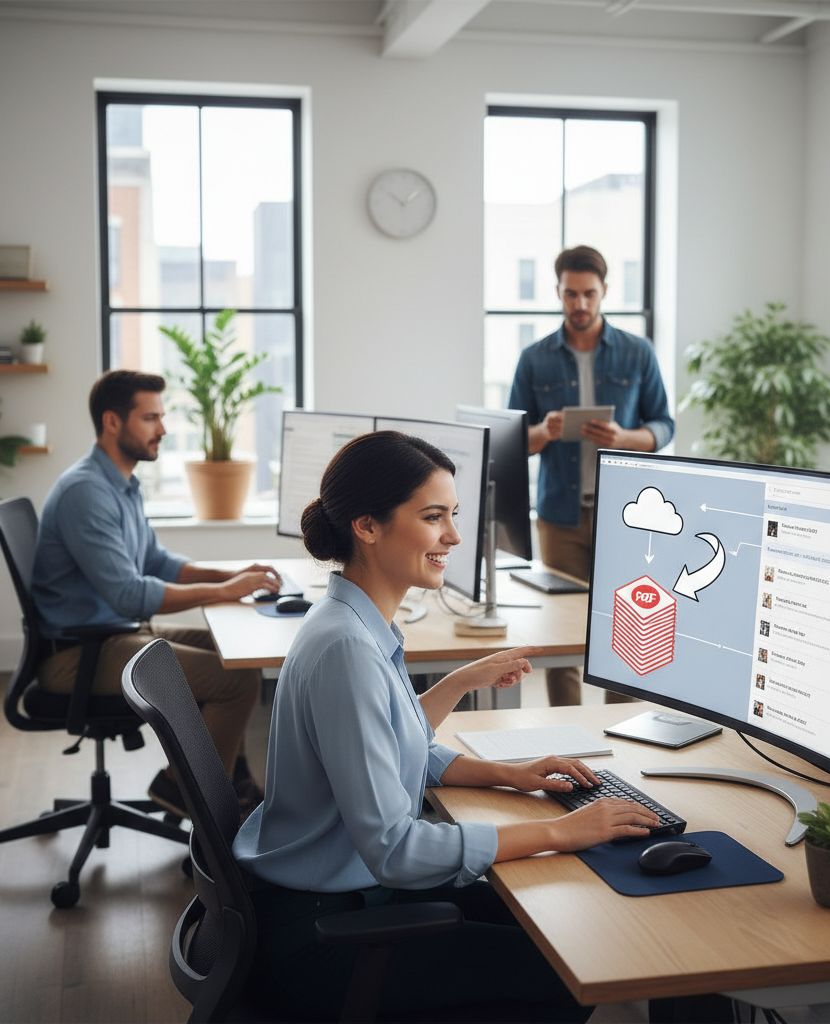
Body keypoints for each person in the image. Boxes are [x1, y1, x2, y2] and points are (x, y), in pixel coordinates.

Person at [234, 431, 661, 1022]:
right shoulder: (346, 649)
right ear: (368, 526)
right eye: (434, 517)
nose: (455, 537)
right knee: (570, 972)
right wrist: (561, 832)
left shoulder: (353, 622)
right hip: (322, 938)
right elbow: (395, 849)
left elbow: (395, 743)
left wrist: (509, 772)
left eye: (453, 515)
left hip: (342, 896)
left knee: (557, 921)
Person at [32, 369, 281, 817]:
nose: (163, 429)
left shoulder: (121, 483)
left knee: (234, 656)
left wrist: (231, 574)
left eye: (162, 417)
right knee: (236, 682)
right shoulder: (86, 492)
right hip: (77, 655)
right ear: (112, 422)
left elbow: (156, 562)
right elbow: (130, 594)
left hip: (114, 634)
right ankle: (191, 797)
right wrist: (223, 591)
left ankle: (232, 784)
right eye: (151, 418)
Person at [509, 245, 675, 706]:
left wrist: (624, 437)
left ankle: (621, 730)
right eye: (570, 294)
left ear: (604, 291)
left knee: (627, 628)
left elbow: (664, 427)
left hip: (627, 514)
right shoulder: (534, 358)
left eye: (588, 294)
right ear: (558, 292)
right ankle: (566, 730)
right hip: (559, 517)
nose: (579, 304)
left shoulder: (637, 353)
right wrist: (544, 431)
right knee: (561, 630)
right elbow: (512, 440)